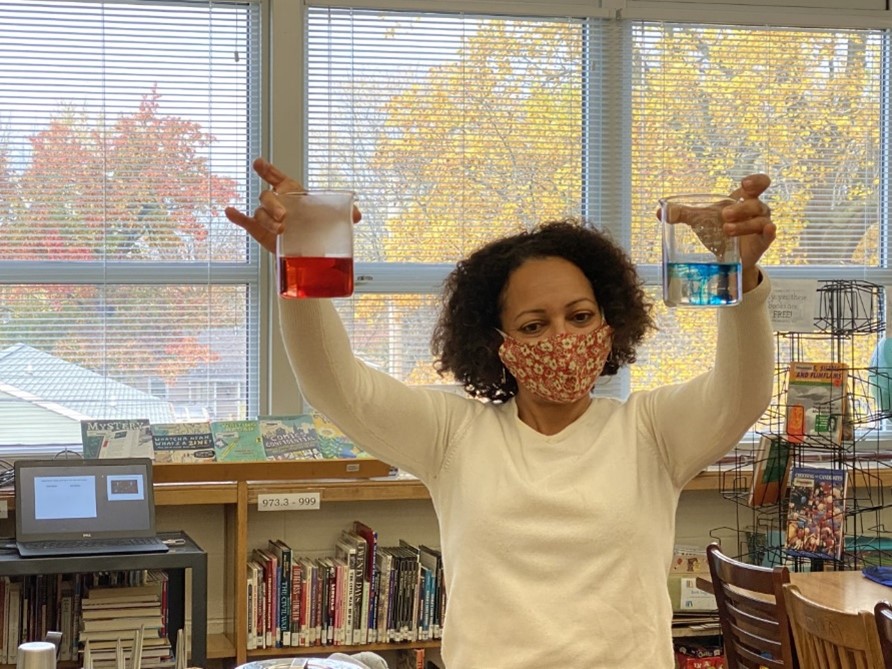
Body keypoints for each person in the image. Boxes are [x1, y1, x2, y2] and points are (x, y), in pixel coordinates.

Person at [226, 158, 777, 668]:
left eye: (581, 316)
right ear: (497, 343)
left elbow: (742, 392)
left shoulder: (651, 432)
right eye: (534, 325)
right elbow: (334, 385)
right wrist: (301, 254)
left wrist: (746, 279)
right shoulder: (453, 436)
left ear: (610, 323)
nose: (563, 337)